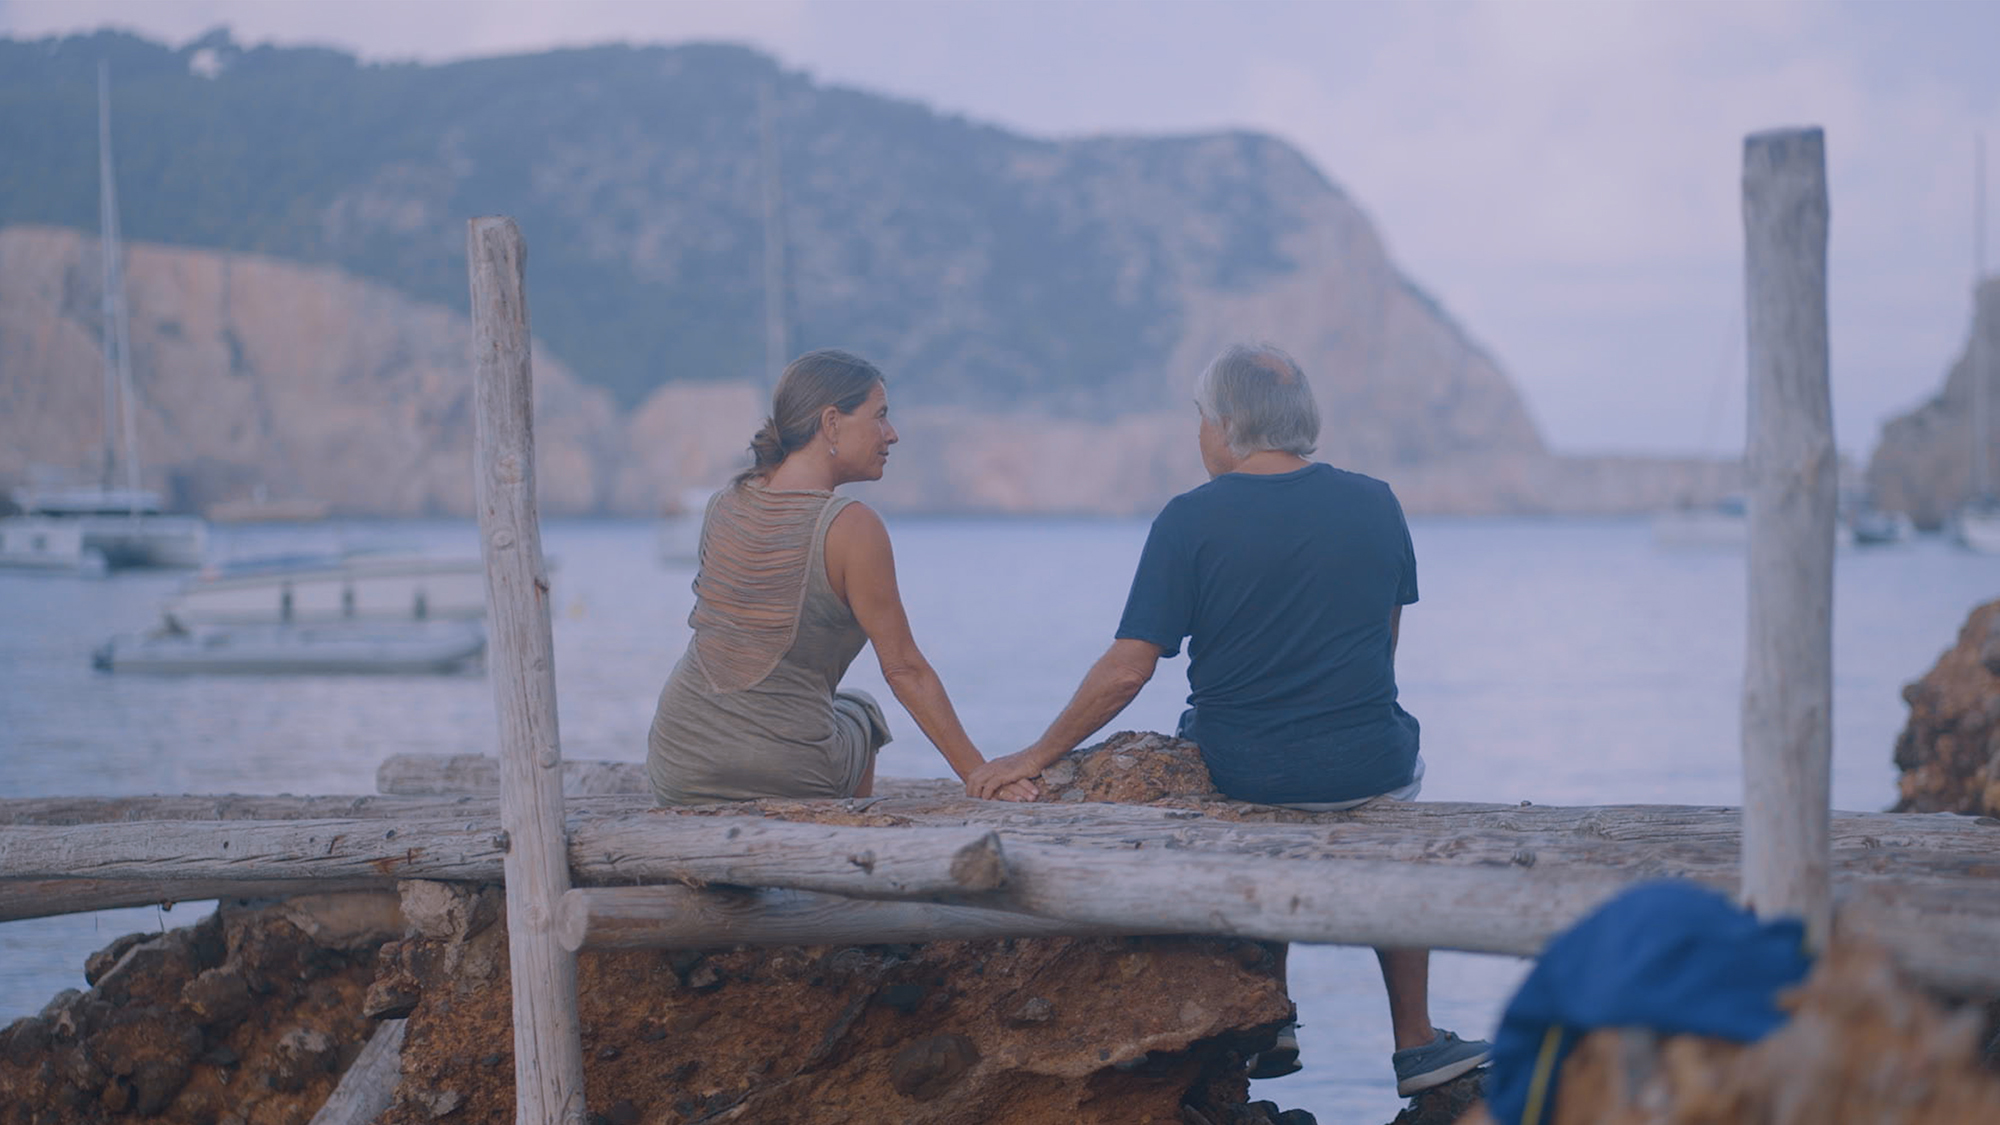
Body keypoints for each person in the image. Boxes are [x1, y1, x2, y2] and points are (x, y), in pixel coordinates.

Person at [966, 343, 1490, 1095]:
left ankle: (1271, 1015)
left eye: (1201, 418)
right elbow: (1383, 642)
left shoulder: (1190, 518)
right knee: (1395, 824)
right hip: (1368, 760)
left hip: (1246, 765)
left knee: (1239, 783)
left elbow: (1128, 668)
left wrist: (1037, 752)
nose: (1200, 434)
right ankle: (1416, 1041)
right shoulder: (1377, 500)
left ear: (1231, 423)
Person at [648, 348, 1036, 806]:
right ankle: (845, 836)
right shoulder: (851, 526)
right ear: (831, 423)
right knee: (861, 712)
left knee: (834, 707)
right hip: (783, 767)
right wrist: (981, 774)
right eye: (880, 416)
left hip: (678, 760)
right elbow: (904, 668)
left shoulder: (724, 502)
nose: (891, 435)